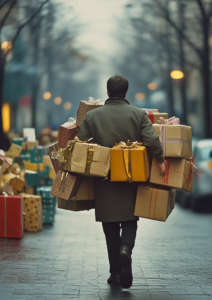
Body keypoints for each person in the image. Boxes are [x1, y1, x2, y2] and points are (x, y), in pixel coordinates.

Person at [77, 75, 166, 289]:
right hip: (131, 177)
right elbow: (151, 140)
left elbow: (80, 145)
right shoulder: (138, 114)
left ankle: (115, 273)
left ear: (107, 92)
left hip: (104, 179)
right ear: (126, 93)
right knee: (129, 220)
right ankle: (125, 248)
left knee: (109, 227)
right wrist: (161, 160)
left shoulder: (93, 116)